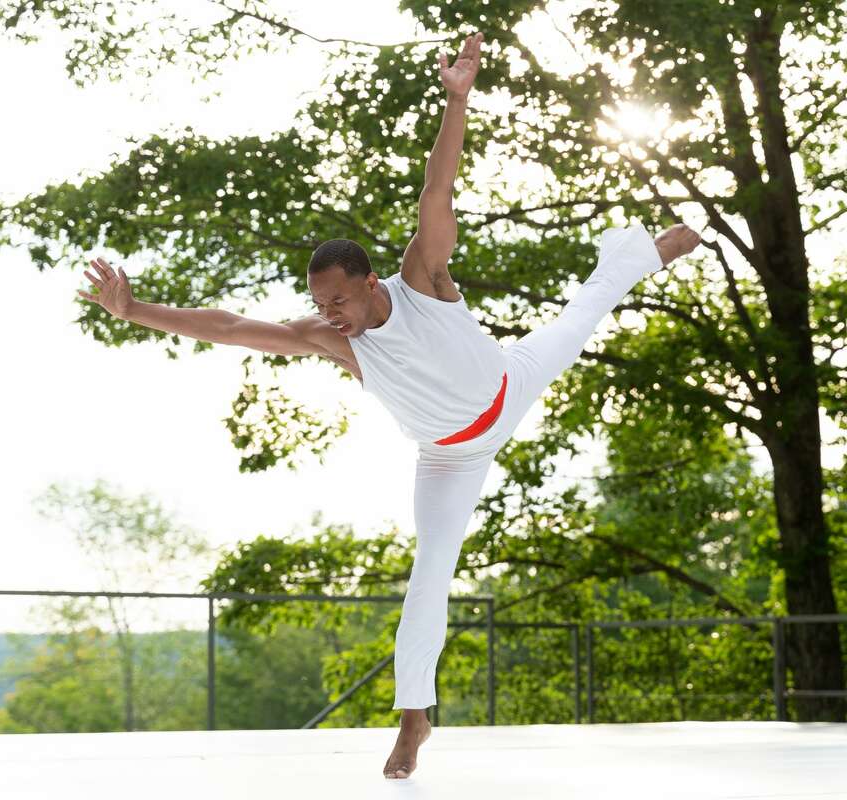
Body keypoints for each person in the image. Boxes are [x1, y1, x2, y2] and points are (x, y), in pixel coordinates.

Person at [77, 30, 701, 780]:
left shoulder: (423, 277)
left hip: (509, 384)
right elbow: (234, 328)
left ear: (371, 282)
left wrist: (457, 101)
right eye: (320, 302)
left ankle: (642, 251)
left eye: (339, 297)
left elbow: (436, 192)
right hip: (447, 456)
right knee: (431, 568)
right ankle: (415, 719)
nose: (329, 312)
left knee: (582, 311)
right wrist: (137, 309)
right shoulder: (333, 340)